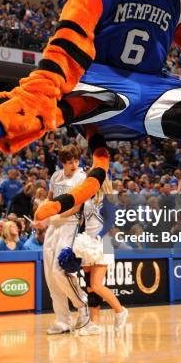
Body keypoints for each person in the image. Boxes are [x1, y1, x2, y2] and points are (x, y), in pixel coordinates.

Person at [36, 144, 89, 335]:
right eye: (69, 162)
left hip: (70, 224)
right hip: (53, 225)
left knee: (60, 270)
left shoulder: (82, 178)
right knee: (51, 276)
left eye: (76, 161)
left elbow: (76, 207)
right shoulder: (56, 176)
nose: (73, 165)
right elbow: (50, 201)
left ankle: (83, 307)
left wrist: (52, 218)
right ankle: (62, 320)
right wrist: (40, 217)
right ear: (62, 163)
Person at [78, 175, 128, 336]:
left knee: (97, 285)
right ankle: (94, 323)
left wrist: (98, 236)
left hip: (102, 241)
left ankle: (120, 311)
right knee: (90, 286)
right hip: (87, 242)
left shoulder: (108, 197)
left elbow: (110, 220)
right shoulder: (88, 197)